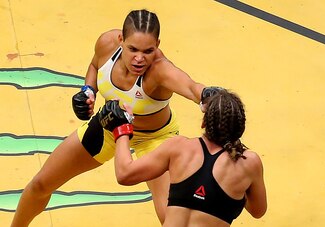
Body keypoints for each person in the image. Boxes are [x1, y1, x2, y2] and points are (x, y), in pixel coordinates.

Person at [11, 9, 207, 226]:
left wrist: (209, 95)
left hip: (155, 139)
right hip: (110, 125)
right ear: (120, 39)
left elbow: (193, 88)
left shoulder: (162, 71)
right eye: (132, 49)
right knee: (40, 185)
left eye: (148, 51)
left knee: (171, 219)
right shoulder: (106, 43)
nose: (140, 59)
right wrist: (88, 91)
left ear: (158, 45)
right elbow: (95, 65)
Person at [103, 88, 267, 227]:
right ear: (240, 127)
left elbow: (124, 174)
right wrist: (232, 191)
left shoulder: (178, 148)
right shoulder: (248, 162)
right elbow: (258, 211)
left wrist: (120, 128)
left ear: (204, 122)